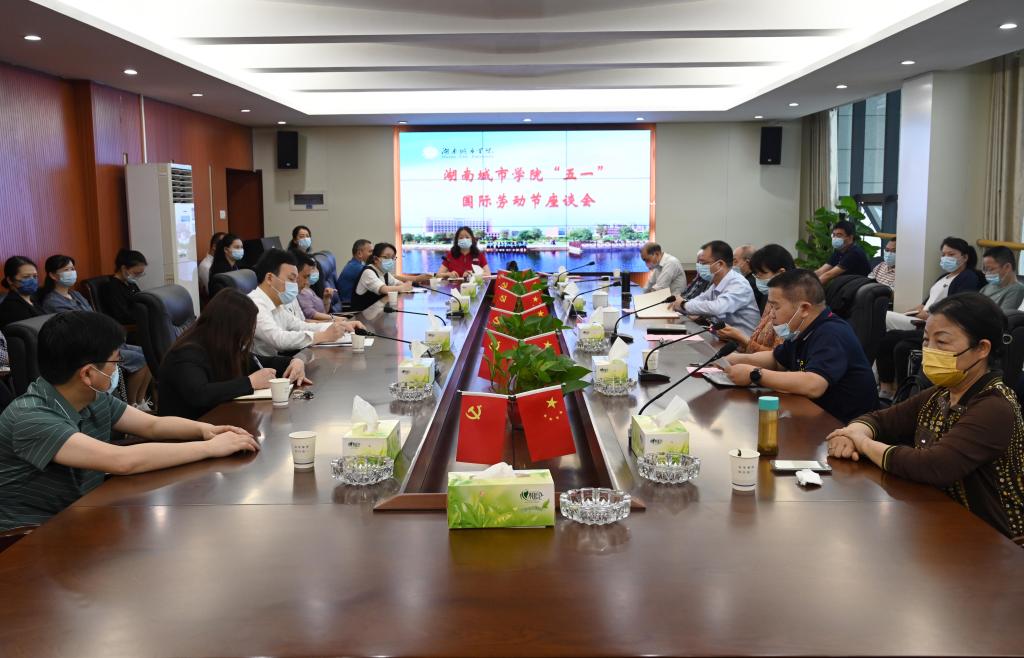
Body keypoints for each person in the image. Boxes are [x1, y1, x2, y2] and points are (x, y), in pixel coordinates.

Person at [0, 311, 260, 532]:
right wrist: (209, 449)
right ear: (88, 373)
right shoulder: (30, 417)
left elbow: (152, 425)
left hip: (84, 513)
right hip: (32, 536)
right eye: (115, 361)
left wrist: (207, 430)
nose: (118, 368)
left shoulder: (92, 396)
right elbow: (121, 461)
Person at [827, 293, 1024, 542]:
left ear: (982, 349)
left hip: (994, 542)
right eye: (926, 340)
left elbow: (933, 466)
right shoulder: (942, 393)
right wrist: (851, 433)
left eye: (942, 342)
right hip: (940, 521)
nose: (930, 351)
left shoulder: (994, 406)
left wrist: (863, 443)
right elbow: (881, 420)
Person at [725, 269, 878, 422]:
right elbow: (776, 360)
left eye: (776, 307)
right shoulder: (802, 330)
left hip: (843, 425)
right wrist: (733, 359)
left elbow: (814, 385)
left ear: (804, 309)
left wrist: (754, 374)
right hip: (814, 415)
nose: (771, 315)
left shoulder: (832, 333)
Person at [158, 289, 311, 419]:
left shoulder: (222, 346)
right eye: (247, 330)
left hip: (219, 422)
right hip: (187, 434)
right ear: (230, 328)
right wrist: (250, 382)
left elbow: (261, 362)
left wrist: (295, 362)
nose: (249, 336)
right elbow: (200, 394)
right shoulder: (186, 354)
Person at [39, 255, 153, 409]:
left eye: (72, 268)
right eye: (66, 270)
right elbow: (76, 329)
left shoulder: (75, 294)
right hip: (89, 346)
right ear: (53, 275)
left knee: (147, 354)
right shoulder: (52, 301)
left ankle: (141, 401)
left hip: (102, 339)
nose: (72, 272)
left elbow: (94, 317)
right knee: (139, 360)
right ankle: (132, 404)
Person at [877, 237, 984, 398]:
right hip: (919, 317)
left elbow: (957, 307)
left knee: (882, 317)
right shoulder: (943, 277)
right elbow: (925, 303)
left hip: (931, 323)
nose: (946, 258)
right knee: (886, 337)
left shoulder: (968, 277)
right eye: (943, 254)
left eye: (951, 254)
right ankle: (886, 388)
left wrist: (929, 315)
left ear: (965, 257)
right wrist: (914, 310)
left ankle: (900, 392)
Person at [247, 249, 362, 356]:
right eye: (291, 279)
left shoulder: (276, 304)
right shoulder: (254, 304)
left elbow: (300, 325)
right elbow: (278, 339)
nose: (295, 285)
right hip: (264, 367)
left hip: (279, 360)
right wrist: (323, 336)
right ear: (269, 278)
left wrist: (339, 326)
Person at [715, 244, 794, 353]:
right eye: (755, 275)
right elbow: (758, 341)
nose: (758, 279)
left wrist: (741, 337)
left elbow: (778, 356)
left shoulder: (793, 305)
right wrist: (736, 339)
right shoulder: (770, 298)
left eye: (761, 274)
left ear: (781, 273)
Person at [670, 240, 761, 335]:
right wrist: (679, 304)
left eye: (703, 263)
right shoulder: (717, 283)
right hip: (723, 337)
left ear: (719, 264)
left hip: (742, 342)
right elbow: (700, 300)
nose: (699, 266)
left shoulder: (739, 284)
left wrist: (683, 304)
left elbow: (717, 308)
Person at [352, 242, 430, 312]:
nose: (391, 260)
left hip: (376, 313)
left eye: (393, 258)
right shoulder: (368, 272)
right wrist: (403, 287)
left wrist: (405, 286)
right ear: (376, 259)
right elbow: (384, 289)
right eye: (386, 257)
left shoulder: (385, 273)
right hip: (362, 316)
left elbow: (398, 284)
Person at [98, 249, 148, 326]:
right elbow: (122, 316)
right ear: (124, 268)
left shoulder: (130, 283)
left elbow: (141, 300)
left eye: (140, 274)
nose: (137, 277)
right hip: (126, 325)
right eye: (136, 273)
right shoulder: (112, 287)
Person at [815, 219, 871, 284]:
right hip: (846, 285)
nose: (835, 238)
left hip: (859, 286)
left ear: (850, 237)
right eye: (834, 235)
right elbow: (821, 271)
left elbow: (828, 275)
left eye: (839, 235)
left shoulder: (855, 253)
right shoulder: (839, 251)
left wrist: (808, 287)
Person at [0, 256, 43, 329]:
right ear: (10, 280)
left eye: (35, 276)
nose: (33, 280)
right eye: (26, 277)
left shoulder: (33, 300)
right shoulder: (10, 308)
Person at [980, 246, 1024, 312]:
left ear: (1007, 267)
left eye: (990, 269)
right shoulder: (987, 287)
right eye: (985, 270)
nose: (987, 273)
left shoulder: (1016, 290)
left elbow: (1003, 316)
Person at [295, 253, 335, 321]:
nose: (316, 270)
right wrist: (334, 319)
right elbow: (311, 315)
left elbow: (324, 312)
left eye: (316, 267)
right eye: (313, 268)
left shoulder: (310, 290)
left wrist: (326, 299)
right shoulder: (301, 292)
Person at [338, 239, 373, 305]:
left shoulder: (354, 264)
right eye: (370, 251)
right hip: (349, 305)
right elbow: (378, 282)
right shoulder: (356, 268)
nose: (373, 255)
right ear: (359, 254)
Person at [733, 244, 765, 311]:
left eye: (735, 261)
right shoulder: (746, 279)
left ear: (747, 262)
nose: (732, 265)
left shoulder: (751, 283)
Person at [198, 231, 226, 295]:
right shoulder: (206, 266)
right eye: (224, 245)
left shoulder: (223, 262)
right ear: (214, 247)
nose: (227, 248)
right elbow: (211, 291)